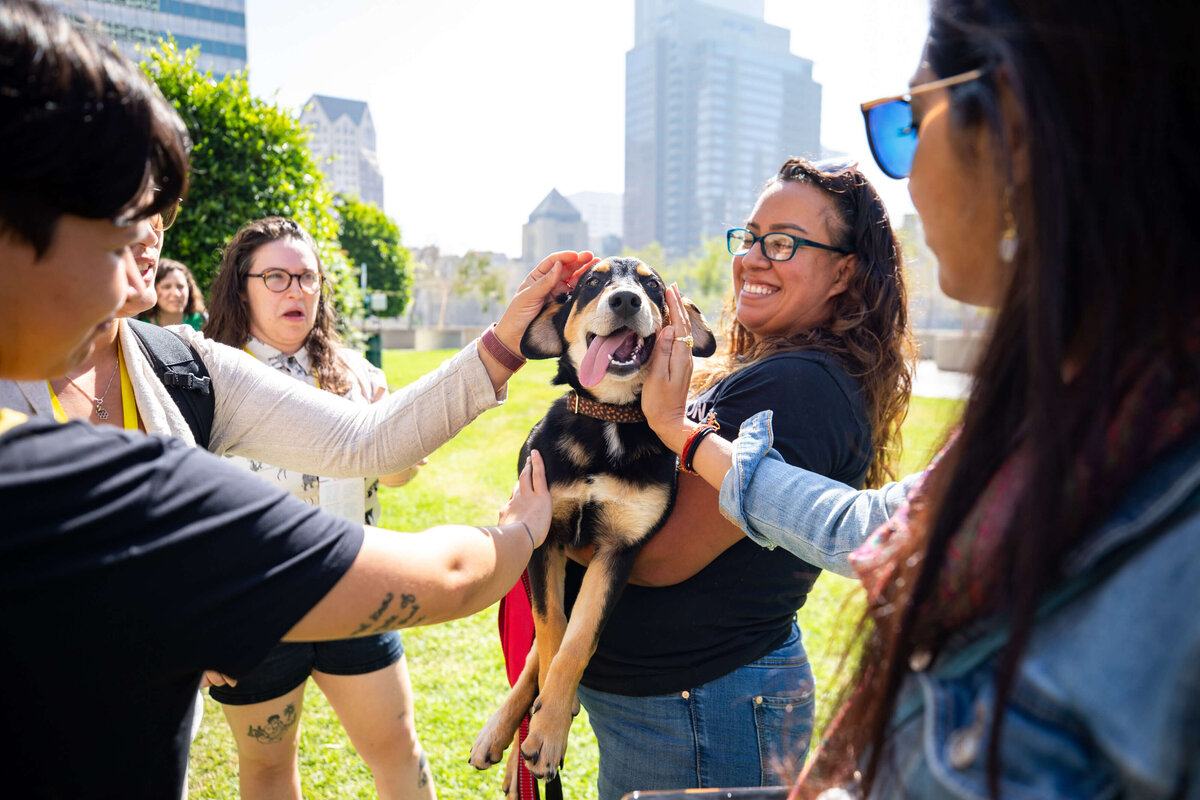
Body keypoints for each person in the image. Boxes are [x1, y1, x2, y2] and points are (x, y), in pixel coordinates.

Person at [640, 0, 1200, 797]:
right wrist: (683, 436)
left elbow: (656, 559)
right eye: (752, 238)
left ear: (1010, 126)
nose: (905, 173)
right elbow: (867, 523)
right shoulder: (1069, 417)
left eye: (907, 122)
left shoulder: (1170, 551)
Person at [0, 2, 557, 796]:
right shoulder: (121, 491)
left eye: (157, 226)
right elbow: (447, 574)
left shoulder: (181, 365)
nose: (142, 266)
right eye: (124, 229)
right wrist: (516, 538)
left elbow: (371, 444)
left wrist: (501, 347)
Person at [555, 158, 913, 799]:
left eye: (783, 244)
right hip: (678, 709)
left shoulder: (798, 385)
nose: (752, 258)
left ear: (845, 272)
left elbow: (658, 554)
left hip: (699, 713)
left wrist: (547, 523)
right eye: (749, 237)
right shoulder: (767, 367)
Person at [200, 216, 435, 799]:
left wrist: (398, 439)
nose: (296, 291)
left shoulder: (354, 371)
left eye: (307, 278)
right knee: (268, 769)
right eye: (275, 277)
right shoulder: (200, 374)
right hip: (251, 607)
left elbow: (396, 476)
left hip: (354, 589)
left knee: (400, 751)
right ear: (242, 286)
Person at [142, 257, 207, 330]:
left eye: (180, 286)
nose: (176, 294)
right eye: (167, 287)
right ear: (153, 289)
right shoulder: (140, 325)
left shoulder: (203, 322)